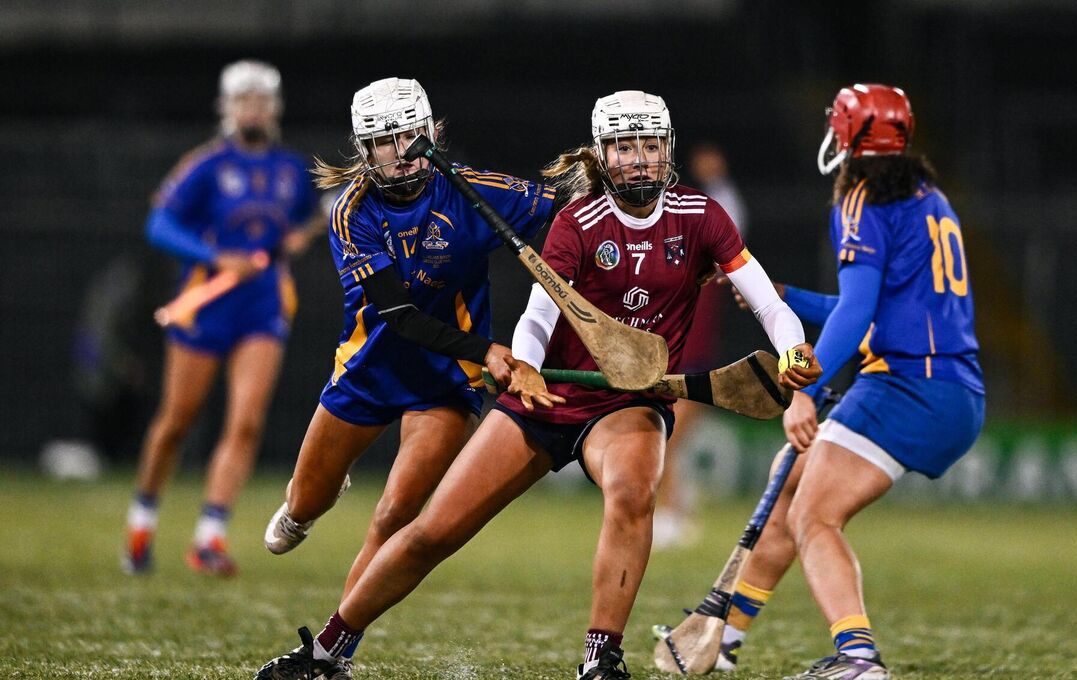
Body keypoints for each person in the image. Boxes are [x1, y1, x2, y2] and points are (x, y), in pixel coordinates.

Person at [254, 90, 822, 680]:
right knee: (430, 533)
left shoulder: (701, 217)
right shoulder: (578, 223)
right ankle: (326, 651)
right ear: (603, 155)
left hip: (628, 403)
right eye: (625, 148)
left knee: (632, 492)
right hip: (544, 397)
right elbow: (538, 316)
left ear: (667, 149)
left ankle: (601, 660)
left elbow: (763, 297)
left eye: (650, 145)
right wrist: (521, 367)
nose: (640, 160)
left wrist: (791, 347)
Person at [661, 84, 986, 680]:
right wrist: (789, 298)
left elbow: (860, 314)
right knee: (790, 487)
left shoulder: (860, 200)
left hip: (907, 387)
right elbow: (877, 308)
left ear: (851, 140)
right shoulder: (929, 198)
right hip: (955, 393)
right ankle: (725, 638)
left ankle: (859, 658)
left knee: (813, 517)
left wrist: (801, 388)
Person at [260, 77, 560, 675]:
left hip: (447, 382)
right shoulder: (352, 212)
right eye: (379, 143)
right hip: (370, 370)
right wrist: (493, 349)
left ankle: (332, 651)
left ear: (430, 134)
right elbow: (398, 316)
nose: (395, 152)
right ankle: (308, 502)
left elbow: (566, 217)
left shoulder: (473, 191)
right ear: (361, 149)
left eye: (405, 137)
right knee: (303, 504)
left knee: (396, 514)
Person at [123, 60, 321, 577]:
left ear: (273, 108)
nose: (251, 108)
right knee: (176, 421)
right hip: (205, 304)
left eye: (260, 100)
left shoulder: (289, 169)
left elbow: (321, 208)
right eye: (242, 99)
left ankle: (209, 537)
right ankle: (142, 519)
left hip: (263, 306)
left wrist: (307, 231)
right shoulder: (206, 166)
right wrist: (212, 255)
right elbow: (160, 224)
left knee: (247, 421)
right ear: (227, 108)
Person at [654, 142, 750, 550]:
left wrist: (716, 179)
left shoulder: (708, 258)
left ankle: (673, 516)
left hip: (690, 361)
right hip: (679, 358)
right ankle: (678, 510)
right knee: (665, 440)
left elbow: (730, 217)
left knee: (664, 440)